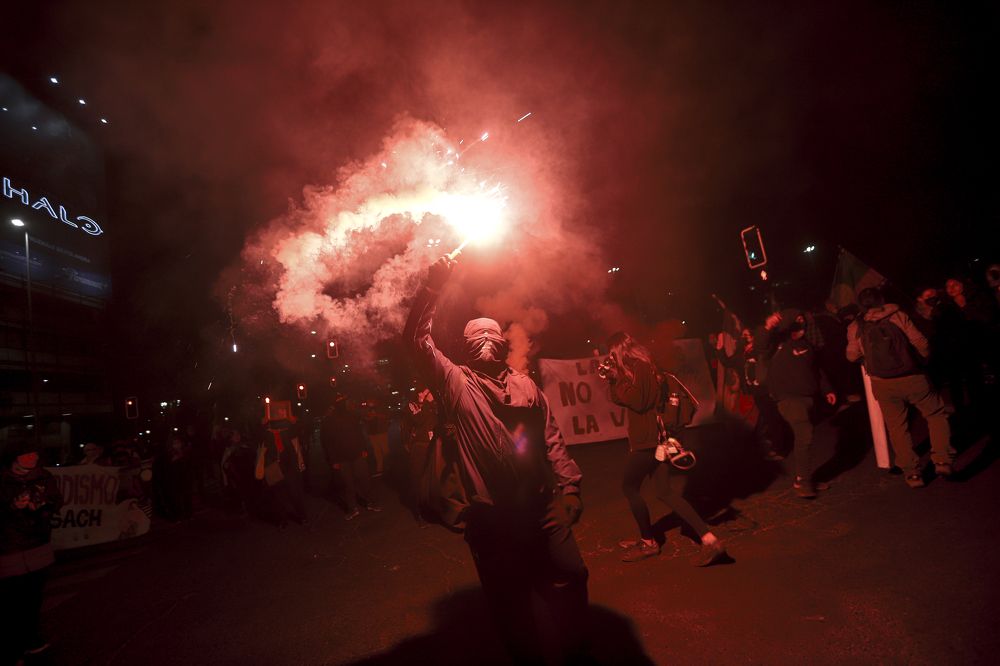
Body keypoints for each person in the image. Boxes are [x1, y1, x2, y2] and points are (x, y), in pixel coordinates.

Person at [405, 256, 588, 664]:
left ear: (502, 343)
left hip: (542, 509)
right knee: (512, 606)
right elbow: (416, 341)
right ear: (467, 348)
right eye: (478, 336)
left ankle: (578, 653)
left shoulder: (524, 385)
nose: (486, 340)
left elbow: (551, 437)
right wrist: (432, 289)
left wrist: (570, 487)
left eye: (492, 334)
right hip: (491, 519)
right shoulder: (456, 384)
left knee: (572, 575)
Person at [602, 332, 727, 566]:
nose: (609, 358)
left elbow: (639, 402)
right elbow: (623, 398)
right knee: (664, 492)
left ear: (618, 350)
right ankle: (711, 541)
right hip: (654, 439)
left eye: (611, 353)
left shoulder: (641, 368)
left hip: (648, 441)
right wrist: (612, 378)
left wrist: (616, 379)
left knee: (629, 487)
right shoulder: (639, 368)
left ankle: (648, 542)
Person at [847, 287, 954, 488]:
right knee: (936, 414)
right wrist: (922, 359)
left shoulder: (856, 326)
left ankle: (912, 473)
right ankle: (941, 460)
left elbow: (851, 355)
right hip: (912, 377)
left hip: (882, 384)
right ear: (882, 299)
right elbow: (920, 342)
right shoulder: (898, 315)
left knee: (897, 427)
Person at [761, 310, 837, 498]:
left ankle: (806, 478)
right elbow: (761, 346)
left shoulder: (806, 345)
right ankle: (802, 481)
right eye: (797, 321)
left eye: (803, 320)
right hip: (789, 400)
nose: (801, 323)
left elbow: (816, 370)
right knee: (805, 434)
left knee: (805, 439)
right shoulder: (777, 345)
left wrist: (827, 390)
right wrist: (768, 327)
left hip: (808, 399)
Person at [1, 444, 64, 663]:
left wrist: (44, 505)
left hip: (38, 546)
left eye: (35, 453)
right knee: (11, 602)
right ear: (14, 458)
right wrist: (13, 507)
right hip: (10, 550)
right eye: (26, 453)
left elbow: (57, 500)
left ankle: (30, 639)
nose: (33, 457)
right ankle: (12, 647)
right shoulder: (3, 480)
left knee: (33, 598)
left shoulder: (44, 476)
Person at [320, 395, 380, 520]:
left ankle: (370, 502)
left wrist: (363, 449)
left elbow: (359, 433)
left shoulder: (351, 415)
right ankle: (353, 508)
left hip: (356, 453)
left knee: (364, 479)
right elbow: (327, 442)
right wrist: (333, 460)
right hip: (342, 457)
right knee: (348, 484)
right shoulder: (328, 421)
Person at [259, 401, 308, 527]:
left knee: (295, 493)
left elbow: (300, 428)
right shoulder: (267, 432)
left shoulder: (288, 430)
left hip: (290, 466)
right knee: (278, 495)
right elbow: (258, 437)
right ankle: (282, 520)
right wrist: (262, 425)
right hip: (273, 466)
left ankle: (302, 516)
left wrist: (292, 419)